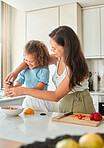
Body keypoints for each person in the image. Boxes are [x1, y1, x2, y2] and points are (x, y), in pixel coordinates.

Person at [5, 25, 95, 113]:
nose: (51, 50)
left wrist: (23, 90)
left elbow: (56, 96)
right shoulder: (59, 59)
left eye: (54, 47)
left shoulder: (75, 66)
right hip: (65, 104)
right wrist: (16, 72)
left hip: (79, 105)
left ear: (66, 46)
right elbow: (34, 61)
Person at [4, 40, 53, 112]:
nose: (28, 64)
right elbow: (18, 85)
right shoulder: (25, 69)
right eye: (26, 60)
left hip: (41, 101)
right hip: (29, 100)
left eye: (31, 61)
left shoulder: (44, 70)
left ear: (39, 59)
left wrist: (23, 91)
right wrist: (10, 87)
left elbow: (40, 88)